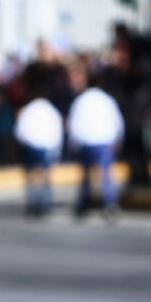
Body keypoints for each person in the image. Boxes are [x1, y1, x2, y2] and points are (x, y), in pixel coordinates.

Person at [67, 66, 125, 221]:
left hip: (87, 142)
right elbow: (118, 122)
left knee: (86, 176)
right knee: (106, 175)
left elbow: (74, 125)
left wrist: (74, 144)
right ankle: (110, 204)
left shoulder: (81, 101)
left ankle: (84, 205)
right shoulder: (107, 99)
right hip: (105, 141)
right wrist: (118, 140)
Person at [14, 91, 65, 219]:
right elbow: (57, 132)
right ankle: (45, 203)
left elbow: (20, 132)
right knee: (45, 175)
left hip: (31, 146)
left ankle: (33, 202)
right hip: (47, 146)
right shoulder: (51, 110)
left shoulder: (28, 110)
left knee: (32, 175)